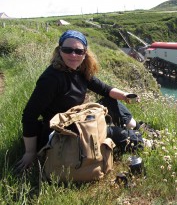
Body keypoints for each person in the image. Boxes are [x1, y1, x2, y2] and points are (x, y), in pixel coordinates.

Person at [15, 30, 143, 172]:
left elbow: (105, 89)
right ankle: (145, 142)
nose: (73, 55)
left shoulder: (80, 71)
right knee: (117, 133)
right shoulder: (51, 79)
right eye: (67, 50)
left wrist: (125, 95)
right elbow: (29, 116)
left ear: (85, 53)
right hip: (62, 131)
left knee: (110, 100)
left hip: (78, 119)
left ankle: (137, 127)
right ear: (59, 51)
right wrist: (30, 153)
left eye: (78, 51)